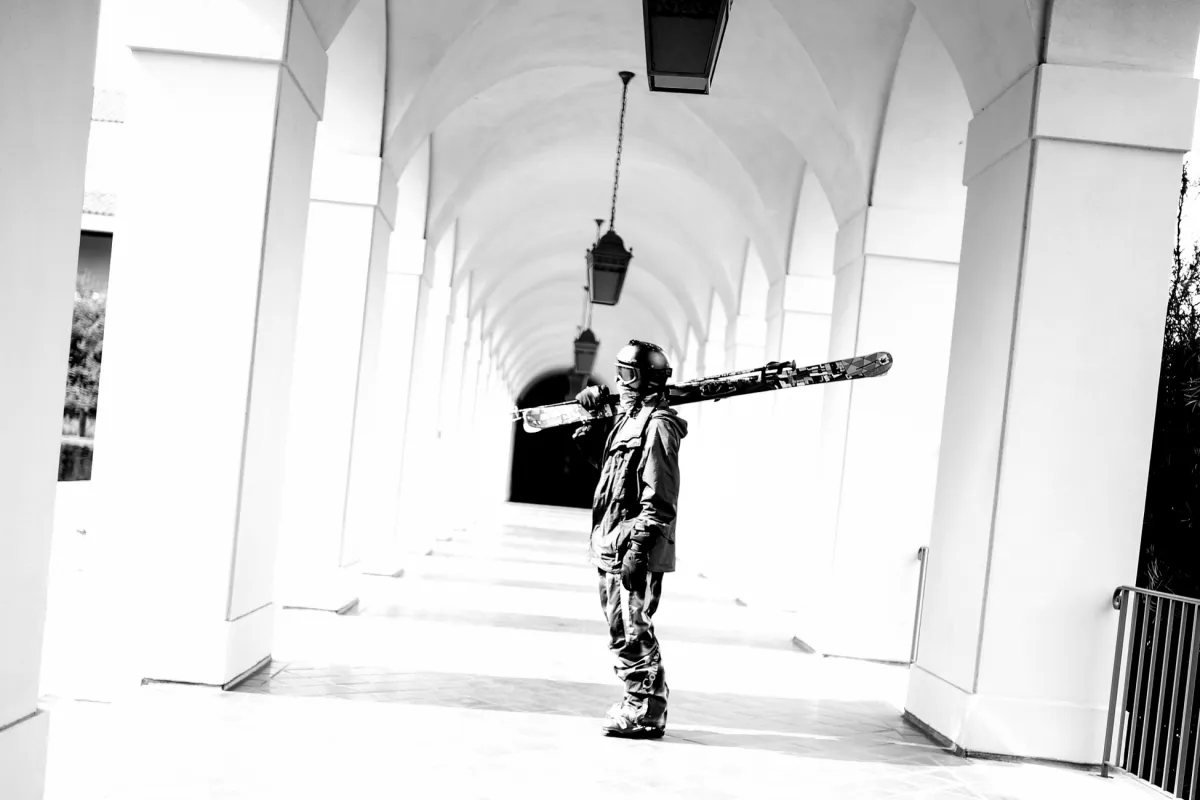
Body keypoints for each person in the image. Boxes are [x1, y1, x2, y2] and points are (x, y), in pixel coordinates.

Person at [572, 340, 688, 739]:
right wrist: (592, 420)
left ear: (641, 378)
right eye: (618, 372)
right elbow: (605, 467)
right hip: (612, 542)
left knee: (633, 631)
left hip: (633, 547)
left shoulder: (658, 425)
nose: (619, 381)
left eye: (626, 374)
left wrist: (638, 549)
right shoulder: (628, 419)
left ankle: (644, 709)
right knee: (621, 630)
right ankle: (642, 704)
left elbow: (661, 497)